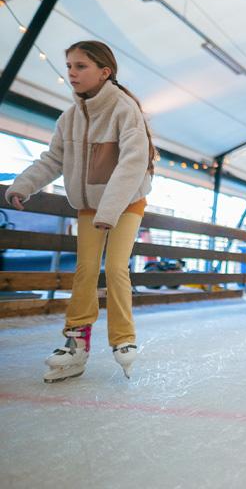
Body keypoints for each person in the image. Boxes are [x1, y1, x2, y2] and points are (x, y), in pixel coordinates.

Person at [5, 41, 154, 382]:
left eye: (80, 66)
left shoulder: (123, 109)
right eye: (69, 65)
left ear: (105, 72)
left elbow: (133, 163)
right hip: (90, 206)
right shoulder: (70, 118)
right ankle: (76, 341)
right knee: (85, 269)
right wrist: (23, 185)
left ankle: (123, 339)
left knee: (116, 267)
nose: (71, 72)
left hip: (127, 201)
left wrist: (110, 209)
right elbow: (53, 160)